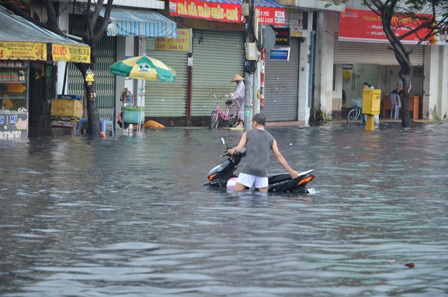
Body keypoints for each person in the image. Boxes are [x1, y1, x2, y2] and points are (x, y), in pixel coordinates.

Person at [227, 113, 299, 193]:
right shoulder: (271, 138)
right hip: (262, 172)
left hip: (248, 170)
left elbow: (238, 150)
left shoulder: (247, 134)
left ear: (255, 123)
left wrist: (231, 151)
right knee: (263, 199)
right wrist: (291, 171)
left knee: (237, 194)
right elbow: (279, 156)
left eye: (252, 122)